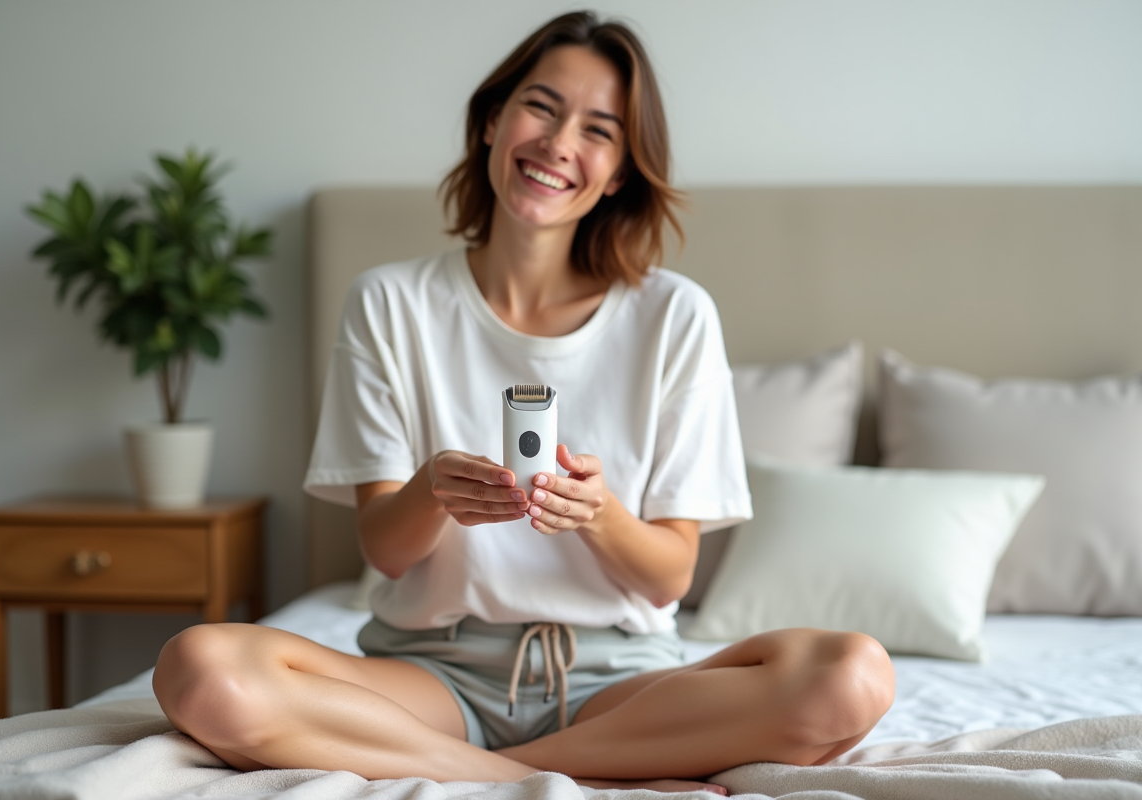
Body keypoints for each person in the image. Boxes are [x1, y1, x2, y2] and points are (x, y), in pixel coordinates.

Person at [152, 10, 895, 792]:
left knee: (852, 676)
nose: (559, 143)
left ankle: (492, 775)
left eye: (598, 130)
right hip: (431, 675)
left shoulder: (674, 315)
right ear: (491, 121)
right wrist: (431, 490)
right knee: (198, 667)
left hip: (619, 682)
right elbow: (386, 552)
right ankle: (552, 775)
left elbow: (669, 577)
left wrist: (599, 515)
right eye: (541, 106)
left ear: (619, 172)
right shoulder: (390, 303)